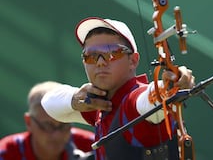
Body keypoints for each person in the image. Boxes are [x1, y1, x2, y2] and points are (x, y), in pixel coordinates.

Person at [41, 17, 195, 160]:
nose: (100, 62)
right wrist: (75, 99)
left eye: (111, 53)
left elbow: (146, 100)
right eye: (91, 55)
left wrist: (168, 86)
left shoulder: (133, 100)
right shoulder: (100, 104)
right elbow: (48, 103)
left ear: (133, 61)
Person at [0, 81, 95, 160]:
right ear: (29, 122)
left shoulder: (93, 145)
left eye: (64, 125)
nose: (57, 134)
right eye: (47, 125)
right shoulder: (6, 153)